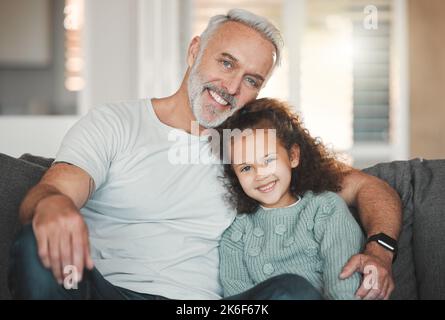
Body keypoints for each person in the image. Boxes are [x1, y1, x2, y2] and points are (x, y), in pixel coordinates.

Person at [8, 9, 401, 300]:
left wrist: (379, 251)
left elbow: (370, 188)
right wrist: (52, 206)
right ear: (195, 50)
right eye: (225, 62)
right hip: (102, 290)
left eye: (250, 80)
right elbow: (50, 192)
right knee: (33, 245)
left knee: (294, 292)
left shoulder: (250, 149)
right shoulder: (115, 123)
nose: (231, 86)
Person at [217, 98, 364, 299]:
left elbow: (344, 280)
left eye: (268, 160)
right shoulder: (236, 233)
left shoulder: (325, 208)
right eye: (246, 168)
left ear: (293, 156)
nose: (260, 174)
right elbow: (239, 298)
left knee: (293, 288)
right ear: (235, 175)